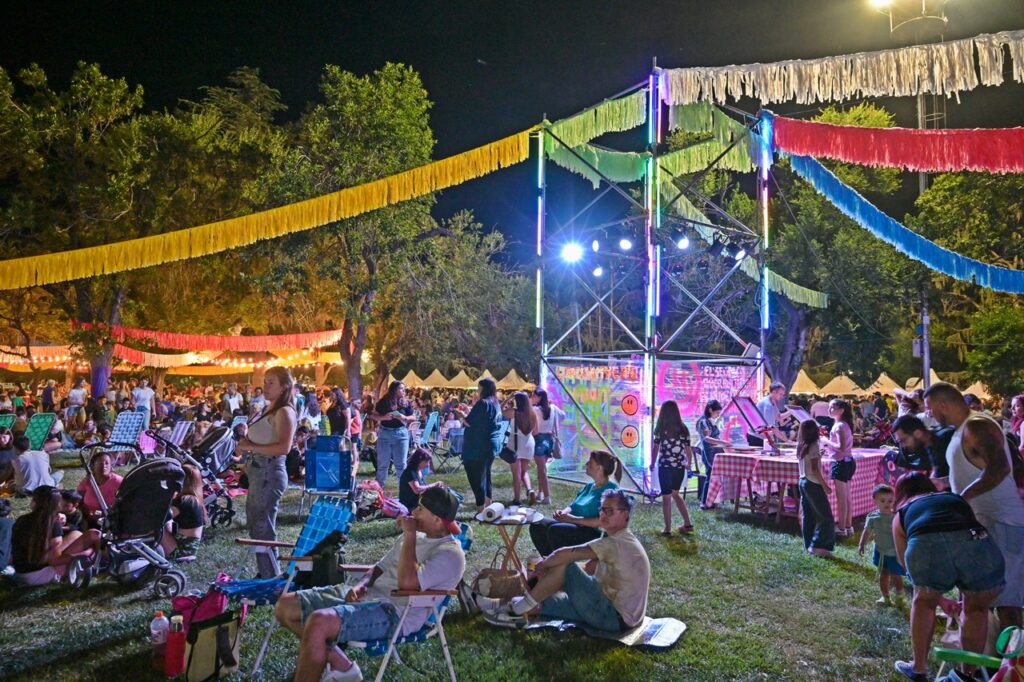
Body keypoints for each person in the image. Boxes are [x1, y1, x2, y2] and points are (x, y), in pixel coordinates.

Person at [276, 487, 466, 682]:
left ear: (436, 519)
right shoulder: (415, 536)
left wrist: (409, 535)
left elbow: (407, 583)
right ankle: (342, 666)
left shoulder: (450, 554)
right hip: (367, 595)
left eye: (420, 509)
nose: (414, 512)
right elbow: (379, 567)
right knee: (285, 607)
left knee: (318, 623)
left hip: (395, 611)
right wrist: (362, 585)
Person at [924, 382, 1024, 634]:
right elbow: (972, 473)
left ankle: (1015, 667)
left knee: (1007, 602)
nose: (929, 415)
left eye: (930, 409)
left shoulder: (977, 426)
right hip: (982, 523)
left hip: (1003, 523)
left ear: (943, 405)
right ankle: (985, 664)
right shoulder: (960, 432)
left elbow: (999, 468)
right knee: (979, 598)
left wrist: (963, 498)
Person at [479, 489, 650, 632]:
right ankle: (493, 606)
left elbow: (566, 555)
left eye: (609, 511)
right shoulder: (619, 538)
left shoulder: (617, 543)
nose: (603, 514)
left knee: (566, 564)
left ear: (625, 515)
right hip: (617, 615)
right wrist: (554, 577)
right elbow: (589, 569)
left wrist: (544, 565)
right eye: (602, 509)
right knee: (543, 601)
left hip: (612, 616)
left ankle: (517, 609)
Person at [892, 473, 1005, 682]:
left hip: (926, 542)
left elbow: (907, 566)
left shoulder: (902, 512)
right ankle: (967, 674)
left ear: (900, 493)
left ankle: (918, 669)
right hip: (978, 540)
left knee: (924, 602)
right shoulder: (954, 498)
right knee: (977, 608)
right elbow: (966, 533)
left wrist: (938, 598)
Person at [235, 366, 297, 578]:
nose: (265, 386)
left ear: (283, 387)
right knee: (258, 523)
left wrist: (249, 447)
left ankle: (269, 575)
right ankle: (266, 572)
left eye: (271, 382)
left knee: (262, 525)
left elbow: (283, 448)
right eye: (265, 381)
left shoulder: (284, 412)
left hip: (269, 471)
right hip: (259, 470)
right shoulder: (269, 408)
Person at [530, 450, 621, 556]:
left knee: (556, 530)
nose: (586, 464)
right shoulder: (589, 486)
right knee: (537, 524)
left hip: (593, 533)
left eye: (590, 462)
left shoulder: (611, 490)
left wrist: (571, 519)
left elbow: (603, 522)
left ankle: (559, 565)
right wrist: (562, 513)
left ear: (599, 468)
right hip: (573, 525)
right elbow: (573, 506)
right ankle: (547, 562)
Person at [10, 485, 101, 585]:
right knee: (93, 537)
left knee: (76, 534)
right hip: (37, 575)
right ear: (57, 504)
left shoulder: (22, 519)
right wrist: (86, 553)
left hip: (18, 573)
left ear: (34, 502)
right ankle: (105, 563)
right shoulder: (53, 525)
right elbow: (55, 561)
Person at [649, 400, 694, 536]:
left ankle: (667, 529)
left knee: (666, 497)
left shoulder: (660, 429)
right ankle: (687, 523)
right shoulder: (683, 428)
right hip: (679, 467)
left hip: (665, 467)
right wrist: (689, 464)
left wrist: (652, 463)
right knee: (675, 494)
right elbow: (688, 449)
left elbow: (655, 448)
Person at [459, 378, 504, 512]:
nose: (478, 391)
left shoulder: (482, 403)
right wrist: (469, 410)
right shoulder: (495, 403)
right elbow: (482, 420)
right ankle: (488, 505)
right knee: (486, 474)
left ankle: (480, 510)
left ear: (484, 389)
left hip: (478, 446)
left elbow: (470, 423)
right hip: (492, 444)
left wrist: (461, 414)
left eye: (479, 389)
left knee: (475, 477)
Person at [857, 484, 905, 606]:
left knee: (896, 575)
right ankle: (885, 597)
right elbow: (866, 531)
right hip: (880, 551)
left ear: (894, 500)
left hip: (894, 552)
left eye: (890, 500)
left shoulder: (897, 516)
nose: (887, 503)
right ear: (875, 501)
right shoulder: (873, 517)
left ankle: (900, 595)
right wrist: (862, 544)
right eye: (882, 501)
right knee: (883, 574)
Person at [796, 419, 835, 558]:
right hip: (813, 483)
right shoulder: (813, 446)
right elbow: (814, 469)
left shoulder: (801, 445)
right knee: (826, 517)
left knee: (809, 516)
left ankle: (809, 544)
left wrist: (819, 455)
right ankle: (819, 545)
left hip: (803, 481)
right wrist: (825, 486)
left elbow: (809, 462)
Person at [370, 381, 415, 488]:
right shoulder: (384, 402)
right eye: (401, 389)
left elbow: (413, 417)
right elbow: (373, 415)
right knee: (382, 465)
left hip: (401, 434)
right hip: (385, 433)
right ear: (394, 389)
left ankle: (404, 490)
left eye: (404, 389)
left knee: (401, 465)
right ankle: (378, 490)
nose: (403, 391)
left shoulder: (405, 403)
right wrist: (384, 417)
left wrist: (403, 418)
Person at [892, 415, 954, 490]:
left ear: (918, 433)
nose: (903, 446)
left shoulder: (947, 440)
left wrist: (942, 482)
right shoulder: (929, 443)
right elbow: (936, 470)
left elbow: (966, 475)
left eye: (903, 440)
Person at [823, 399, 856, 537]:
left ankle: (842, 528)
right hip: (847, 462)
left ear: (841, 410)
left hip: (840, 462)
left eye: (832, 408)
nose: (829, 410)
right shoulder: (844, 425)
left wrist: (826, 441)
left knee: (841, 498)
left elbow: (841, 447)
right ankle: (848, 526)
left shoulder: (839, 426)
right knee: (847, 497)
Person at [160, 463, 206, 560]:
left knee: (154, 527)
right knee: (166, 523)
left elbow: (160, 517)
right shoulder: (195, 499)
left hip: (181, 552)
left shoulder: (184, 501)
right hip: (189, 549)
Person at [502, 391, 537, 505]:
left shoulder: (514, 412)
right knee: (524, 471)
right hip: (529, 443)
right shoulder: (533, 413)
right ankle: (529, 490)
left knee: (516, 473)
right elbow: (536, 431)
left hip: (516, 444)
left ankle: (517, 499)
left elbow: (500, 409)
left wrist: (508, 398)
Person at [531, 388, 564, 506]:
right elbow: (563, 415)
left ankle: (546, 496)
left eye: (533, 395)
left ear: (539, 397)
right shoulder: (553, 408)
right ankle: (540, 492)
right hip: (549, 440)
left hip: (538, 439)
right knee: (541, 467)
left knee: (542, 469)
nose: (532, 397)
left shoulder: (534, 409)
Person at [695, 400, 729, 509]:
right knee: (709, 476)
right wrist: (722, 442)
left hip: (716, 452)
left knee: (714, 477)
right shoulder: (703, 421)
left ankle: (712, 500)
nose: (718, 415)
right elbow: (707, 438)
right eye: (717, 412)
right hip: (708, 452)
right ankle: (704, 502)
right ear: (710, 410)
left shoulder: (711, 421)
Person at [75, 451, 122, 528]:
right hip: (88, 518)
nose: (104, 466)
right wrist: (87, 514)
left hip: (110, 519)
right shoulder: (88, 481)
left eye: (107, 463)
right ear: (93, 466)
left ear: (111, 466)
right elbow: (78, 499)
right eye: (100, 463)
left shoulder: (118, 481)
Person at [399, 447, 443, 511]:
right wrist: (434, 485)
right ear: (419, 460)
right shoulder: (410, 472)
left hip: (419, 502)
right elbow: (417, 489)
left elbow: (424, 489)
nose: (428, 465)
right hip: (410, 505)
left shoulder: (419, 471)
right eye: (426, 462)